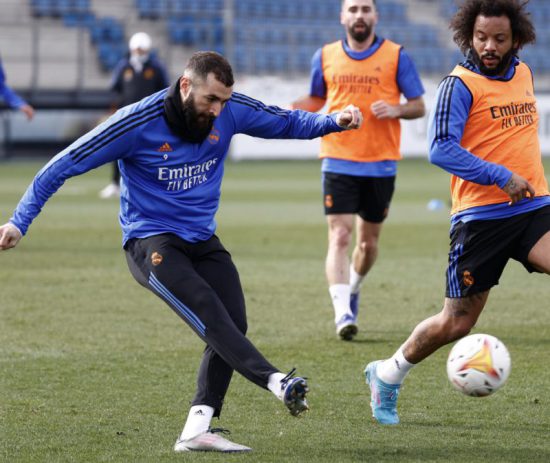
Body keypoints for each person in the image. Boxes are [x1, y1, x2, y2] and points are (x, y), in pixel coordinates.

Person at [0, 52, 363, 452]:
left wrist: (334, 121)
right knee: (208, 309)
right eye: (211, 99)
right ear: (186, 86)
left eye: (224, 101)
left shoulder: (228, 110)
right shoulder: (136, 122)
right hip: (150, 242)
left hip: (202, 238)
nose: (218, 110)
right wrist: (19, 222)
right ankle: (277, 381)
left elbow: (286, 121)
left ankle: (196, 429)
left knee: (233, 322)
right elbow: (63, 164)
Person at [365, 0, 550, 425]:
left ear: (516, 40)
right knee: (457, 322)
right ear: (469, 35)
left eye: (499, 39)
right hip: (481, 219)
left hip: (533, 206)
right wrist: (499, 175)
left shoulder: (524, 72)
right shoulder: (458, 84)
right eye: (481, 37)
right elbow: (440, 149)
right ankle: (387, 374)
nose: (489, 46)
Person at [290, 0, 425, 341]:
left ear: (375, 16)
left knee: (367, 244)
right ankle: (343, 313)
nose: (359, 15)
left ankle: (353, 287)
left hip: (381, 163)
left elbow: (418, 105)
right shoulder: (325, 56)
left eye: (365, 9)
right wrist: (291, 109)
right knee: (339, 235)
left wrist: (396, 109)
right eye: (353, 9)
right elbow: (317, 99)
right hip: (337, 157)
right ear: (342, 16)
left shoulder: (397, 56)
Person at [99, 32, 170, 199]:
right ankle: (115, 183)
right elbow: (114, 90)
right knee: (118, 148)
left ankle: (153, 185)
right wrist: (115, 110)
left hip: (150, 118)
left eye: (142, 50)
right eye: (137, 50)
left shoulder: (156, 67)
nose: (139, 53)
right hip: (127, 118)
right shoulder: (123, 67)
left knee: (152, 151)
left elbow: (165, 91)